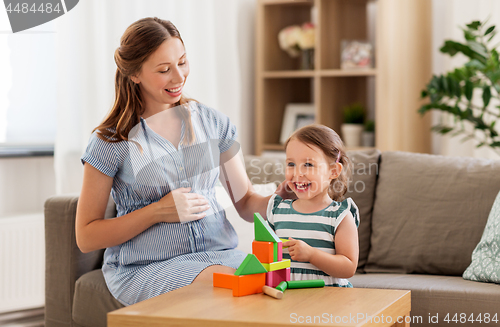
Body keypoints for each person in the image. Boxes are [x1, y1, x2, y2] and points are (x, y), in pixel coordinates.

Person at [76, 17, 289, 306]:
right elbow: (86, 236)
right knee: (238, 287)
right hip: (146, 267)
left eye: (183, 62)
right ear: (135, 74)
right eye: (164, 70)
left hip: (219, 255)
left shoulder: (214, 124)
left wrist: (281, 200)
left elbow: (245, 201)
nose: (179, 77)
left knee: (284, 282)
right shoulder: (110, 142)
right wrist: (157, 211)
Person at [266, 124, 359, 287]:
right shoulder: (277, 211)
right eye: (291, 164)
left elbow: (348, 267)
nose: (297, 173)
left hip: (330, 302)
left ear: (333, 171)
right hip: (288, 302)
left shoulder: (340, 216)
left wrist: (312, 254)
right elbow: (266, 256)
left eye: (308, 165)